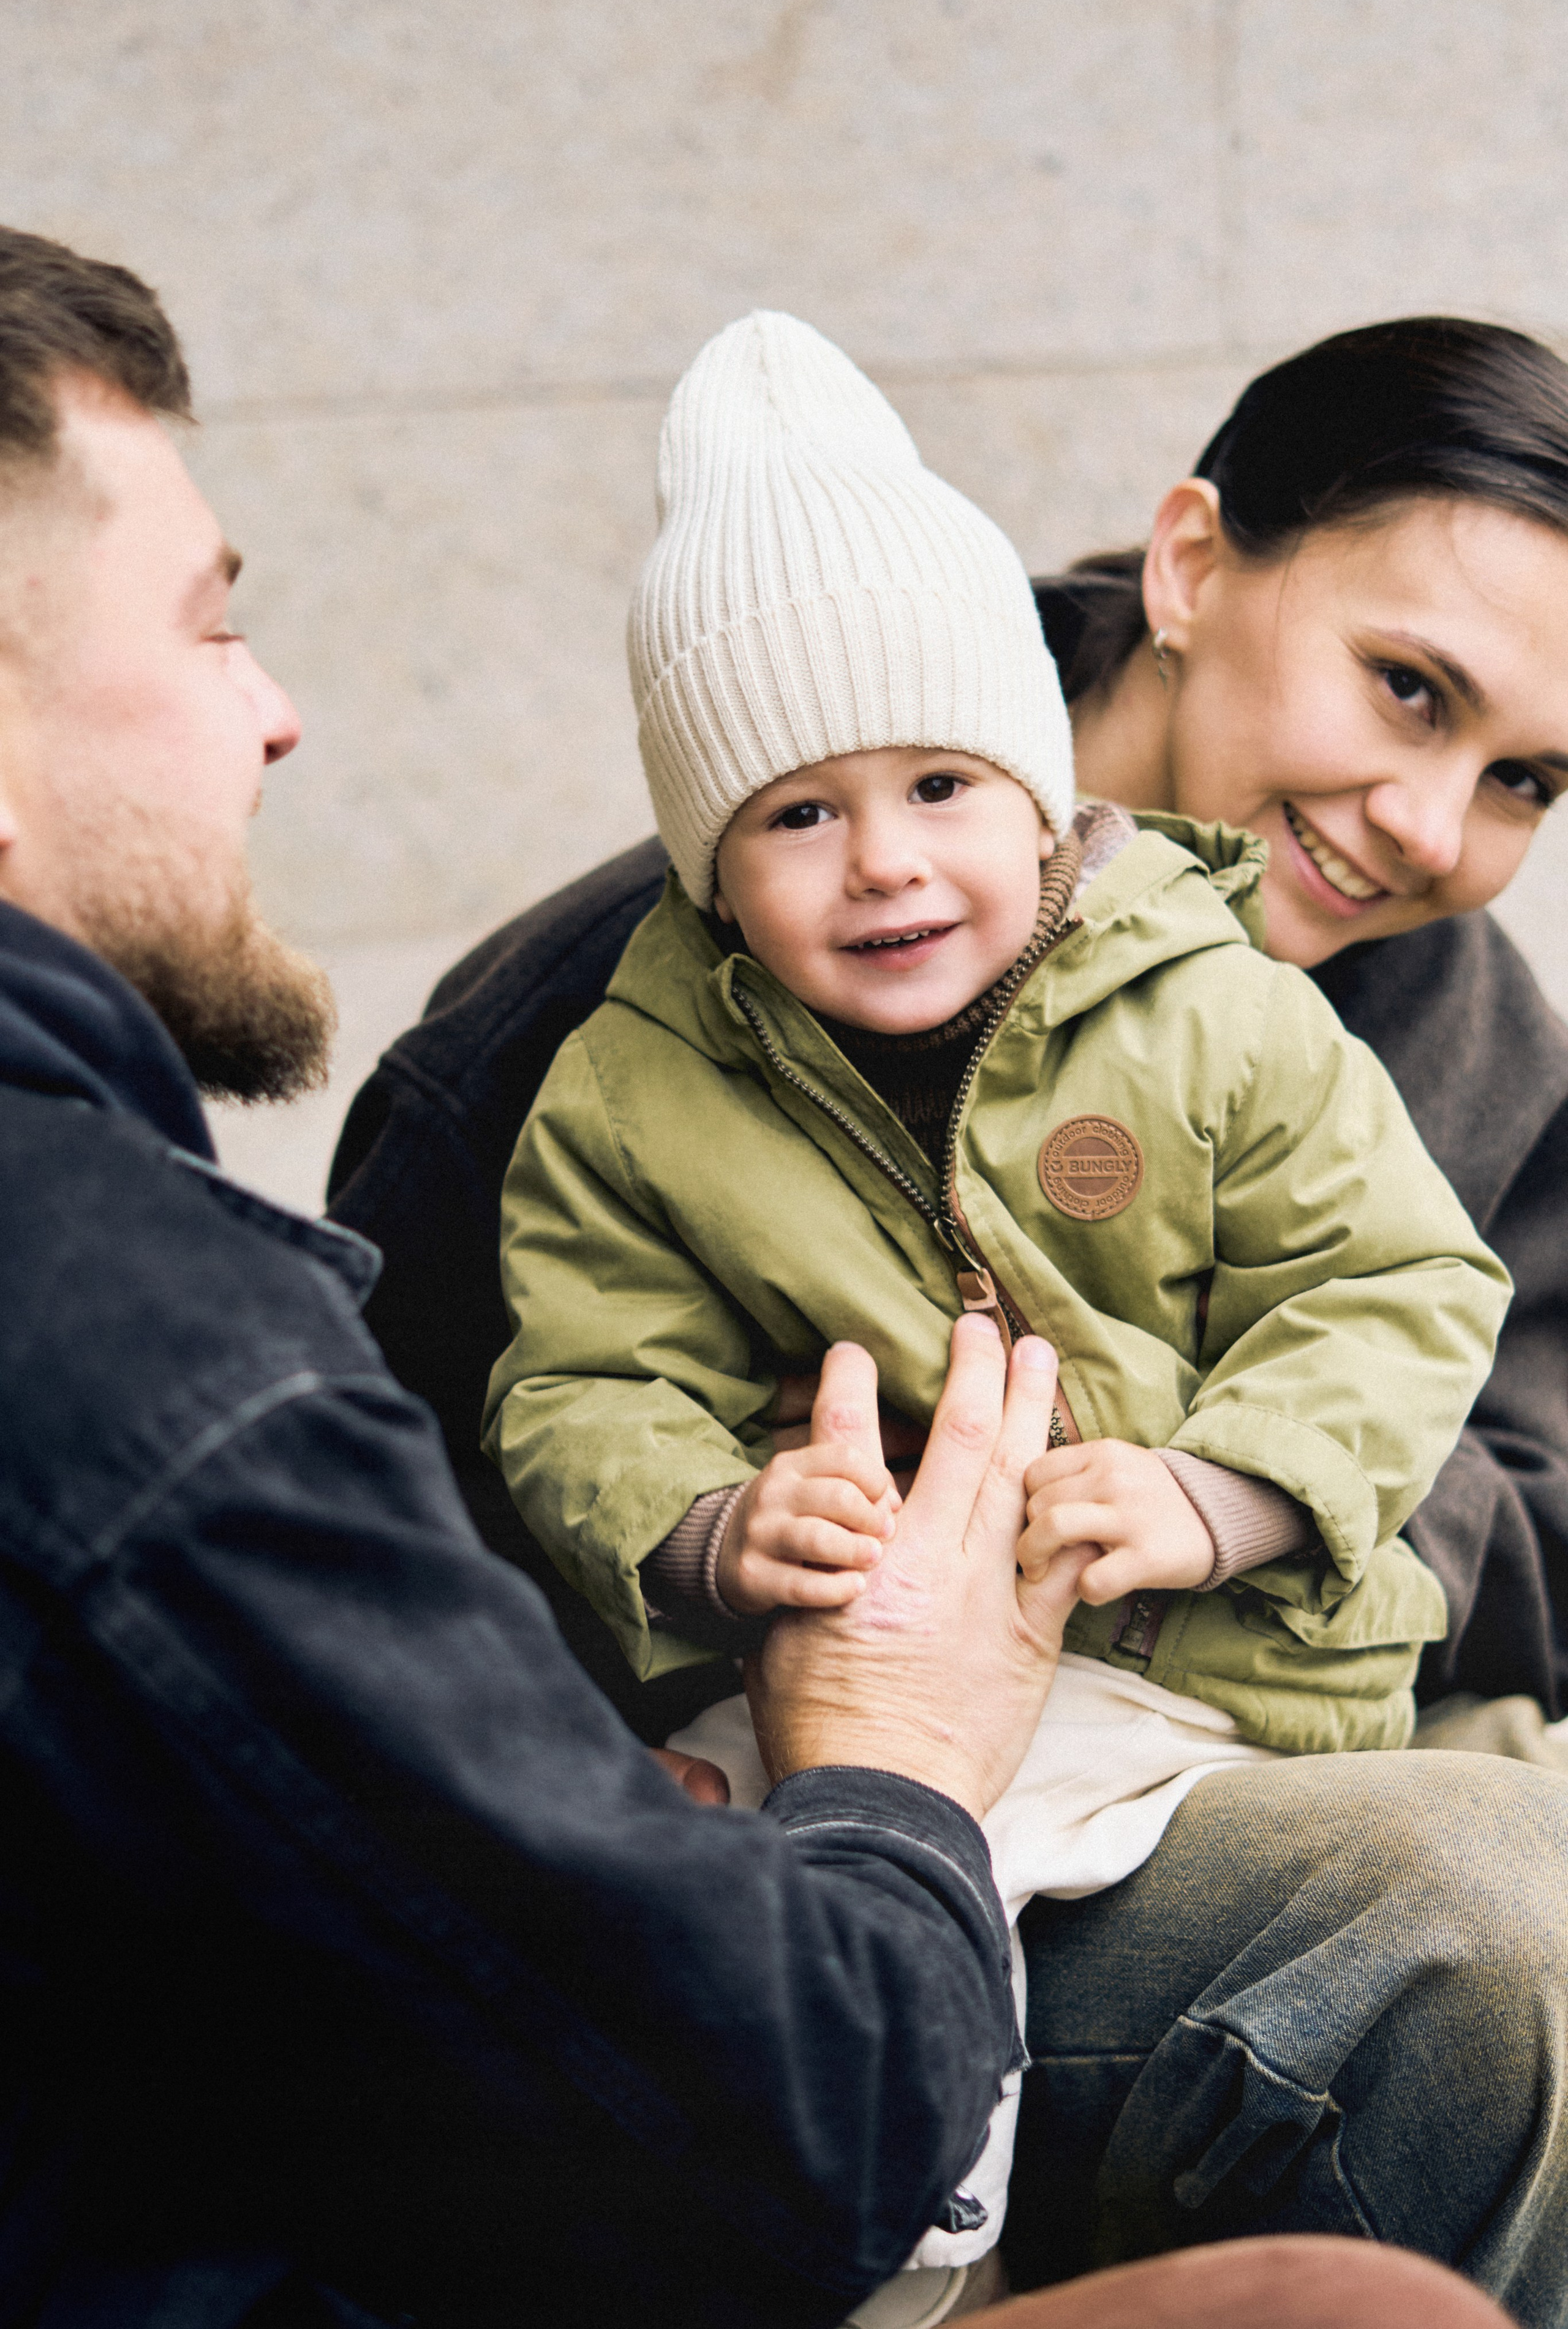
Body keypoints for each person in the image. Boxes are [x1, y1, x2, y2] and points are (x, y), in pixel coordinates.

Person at [326, 311, 1568, 2319]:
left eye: (1526, 778)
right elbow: (453, 1496)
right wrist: (734, 1551)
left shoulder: (1442, 1009)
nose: (1433, 827)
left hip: (1274, 1686)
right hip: (776, 1793)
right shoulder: (593, 1049)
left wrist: (1227, 1498)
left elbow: (1507, 1434)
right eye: (1406, 689)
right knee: (1493, 1927)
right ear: (1191, 564)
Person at [0, 222, 1173, 2329]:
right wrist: (886, 1755)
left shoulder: (1281, 1008)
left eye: (948, 789)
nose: (275, 715)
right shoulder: (148, 1359)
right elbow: (782, 2136)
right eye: (208, 628)